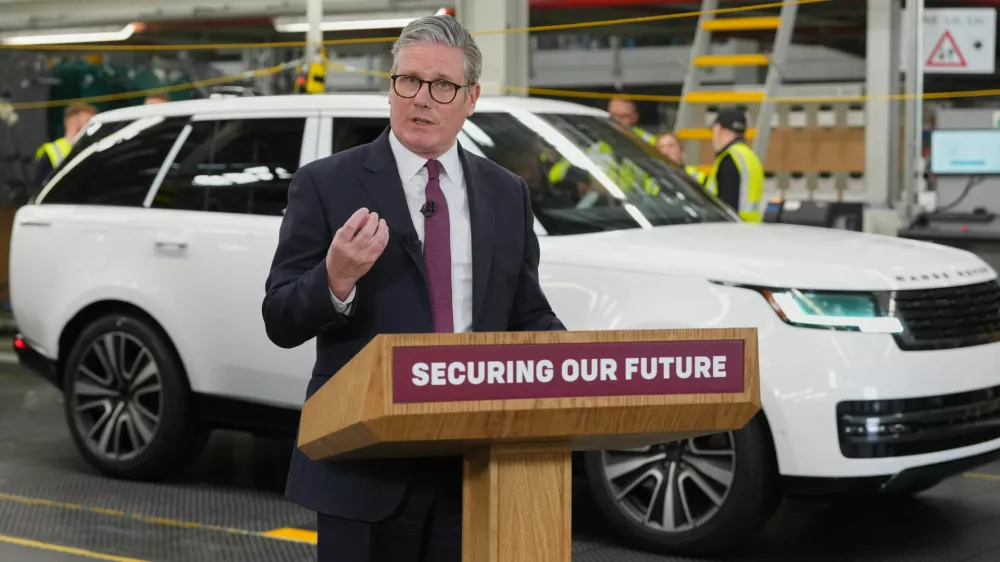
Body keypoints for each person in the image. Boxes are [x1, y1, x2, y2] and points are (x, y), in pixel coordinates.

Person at [261, 14, 566, 562]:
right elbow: (280, 319)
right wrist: (335, 278)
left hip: (473, 467)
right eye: (409, 81)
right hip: (365, 466)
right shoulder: (326, 183)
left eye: (443, 86)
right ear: (391, 87)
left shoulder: (506, 193)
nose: (422, 98)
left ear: (470, 98)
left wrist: (576, 362)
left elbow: (528, 313)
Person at [704, 107, 765, 222]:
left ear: (718, 129)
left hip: (734, 232)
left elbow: (727, 208)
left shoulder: (729, 159)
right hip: (751, 229)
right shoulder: (749, 156)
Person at [34, 102, 96, 190]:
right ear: (74, 121)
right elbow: (39, 189)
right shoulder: (51, 152)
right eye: (88, 122)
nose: (92, 127)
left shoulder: (91, 149)